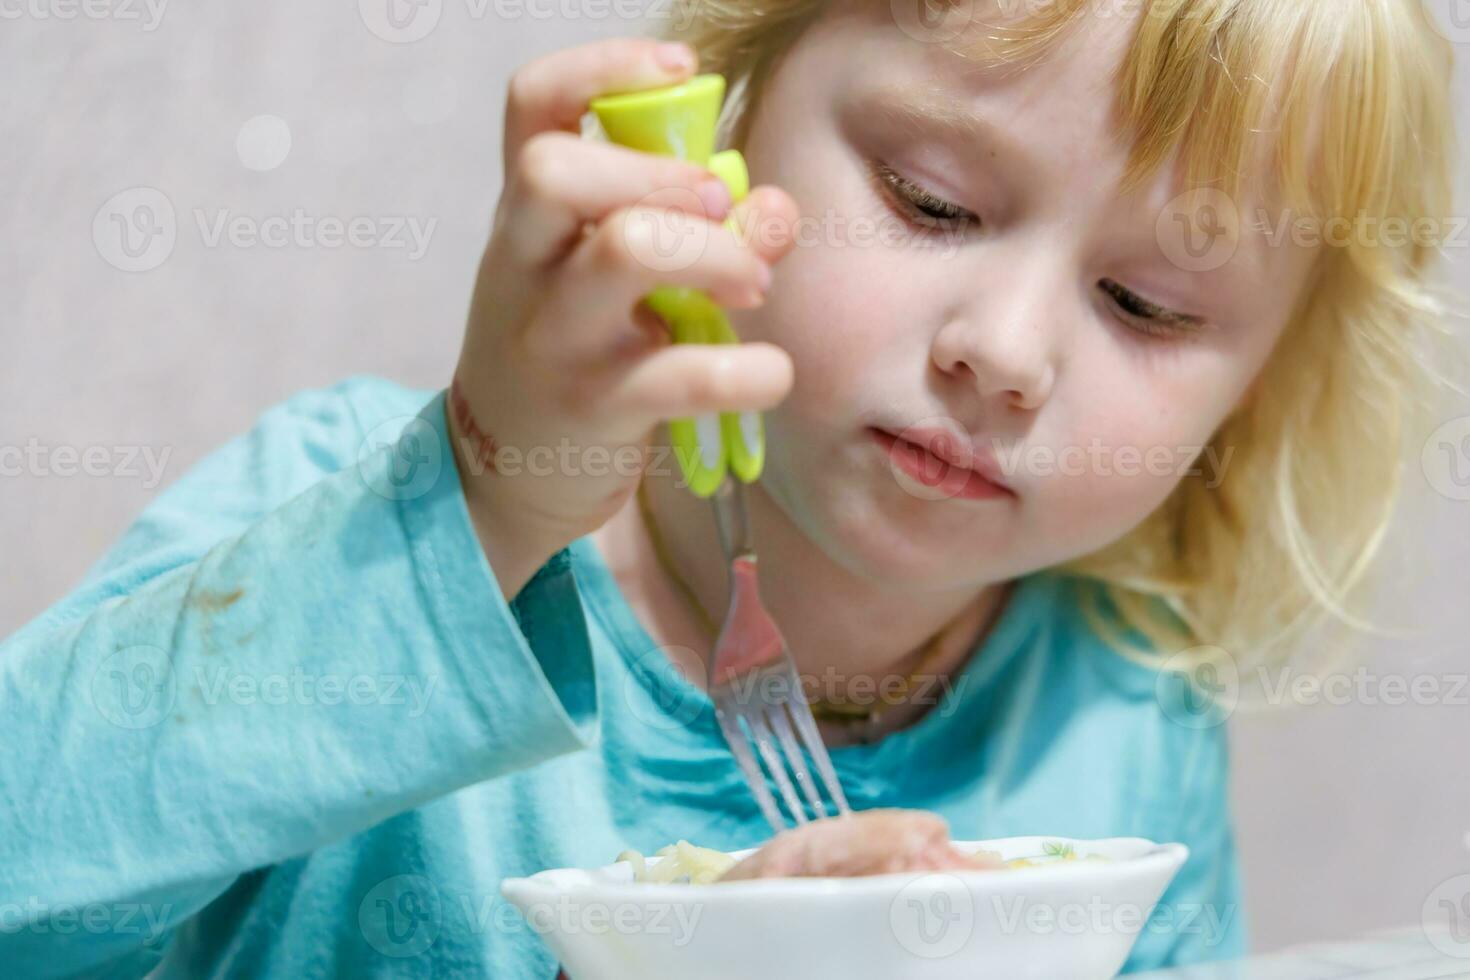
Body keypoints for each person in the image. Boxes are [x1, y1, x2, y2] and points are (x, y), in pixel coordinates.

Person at [1, 0, 1459, 975]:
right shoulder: (352, 510)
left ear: (1255, 398)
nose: (1004, 354)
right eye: (930, 202)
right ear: (718, 126)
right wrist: (479, 504)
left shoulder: (1122, 719)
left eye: (1146, 305)